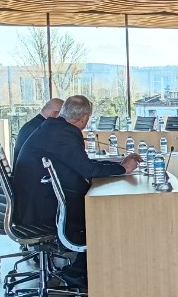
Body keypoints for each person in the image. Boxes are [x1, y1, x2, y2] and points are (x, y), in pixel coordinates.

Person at [12, 95, 140, 286]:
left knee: (96, 207)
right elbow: (87, 169)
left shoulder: (53, 127)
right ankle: (79, 272)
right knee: (102, 215)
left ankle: (81, 269)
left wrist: (116, 165)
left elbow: (80, 164)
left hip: (32, 203)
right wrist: (123, 169)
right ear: (84, 119)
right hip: (42, 210)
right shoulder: (66, 133)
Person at [14, 98, 63, 167]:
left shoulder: (31, 125)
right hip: (33, 175)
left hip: (22, 173)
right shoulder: (45, 129)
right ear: (54, 114)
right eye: (64, 116)